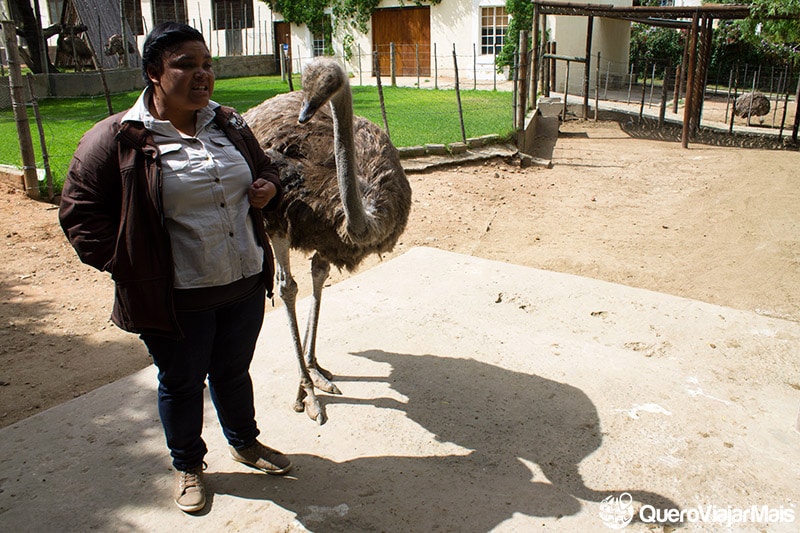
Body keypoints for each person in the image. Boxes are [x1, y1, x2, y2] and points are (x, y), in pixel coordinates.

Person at [59, 21, 289, 513]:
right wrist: (131, 265)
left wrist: (267, 186)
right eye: (186, 64)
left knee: (232, 372)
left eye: (208, 65)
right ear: (154, 73)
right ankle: (187, 464)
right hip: (176, 296)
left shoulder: (228, 123)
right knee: (182, 382)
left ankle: (245, 442)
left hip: (244, 281)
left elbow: (264, 167)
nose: (202, 75)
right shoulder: (117, 138)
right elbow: (80, 215)